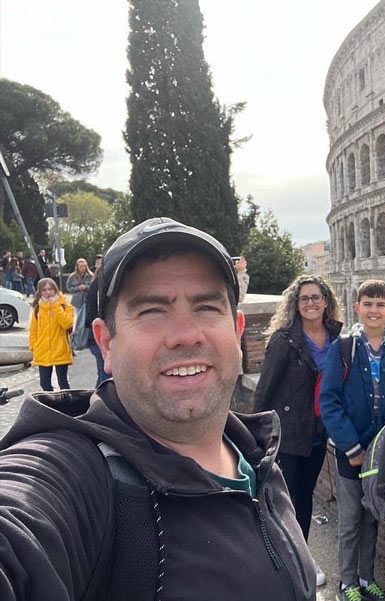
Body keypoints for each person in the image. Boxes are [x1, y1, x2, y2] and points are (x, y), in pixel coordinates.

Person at [0, 217, 314, 600]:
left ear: (236, 330)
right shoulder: (74, 473)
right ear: (106, 343)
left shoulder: (257, 456)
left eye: (206, 307)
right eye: (151, 311)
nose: (185, 335)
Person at [320, 278, 385, 601]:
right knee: (350, 521)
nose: (374, 311)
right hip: (350, 452)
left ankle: (365, 578)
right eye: (368, 304)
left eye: (380, 305)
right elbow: (329, 401)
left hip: (381, 454)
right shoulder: (343, 348)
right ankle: (347, 582)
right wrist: (352, 446)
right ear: (357, 308)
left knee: (372, 518)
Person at [253, 273, 343, 587]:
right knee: (290, 500)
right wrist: (257, 435)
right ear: (296, 303)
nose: (310, 303)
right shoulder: (283, 340)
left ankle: (298, 557)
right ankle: (290, 560)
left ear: (326, 301)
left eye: (316, 297)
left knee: (303, 497)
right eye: (304, 298)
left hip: (319, 433)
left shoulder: (337, 336)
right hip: (289, 434)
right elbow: (264, 391)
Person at [28, 277, 74, 391]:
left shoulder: (65, 306)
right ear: (40, 292)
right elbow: (33, 330)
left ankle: (66, 406)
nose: (48, 292)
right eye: (44, 290)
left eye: (50, 289)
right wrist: (33, 346)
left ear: (55, 290)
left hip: (60, 349)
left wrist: (55, 306)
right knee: (45, 384)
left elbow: (66, 324)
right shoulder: (38, 308)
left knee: (63, 383)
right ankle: (50, 406)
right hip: (42, 350)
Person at [83, 258, 111, 388]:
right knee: (106, 374)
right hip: (99, 335)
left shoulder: (93, 286)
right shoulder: (102, 287)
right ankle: (100, 400)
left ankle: (97, 398)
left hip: (95, 336)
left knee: (102, 372)